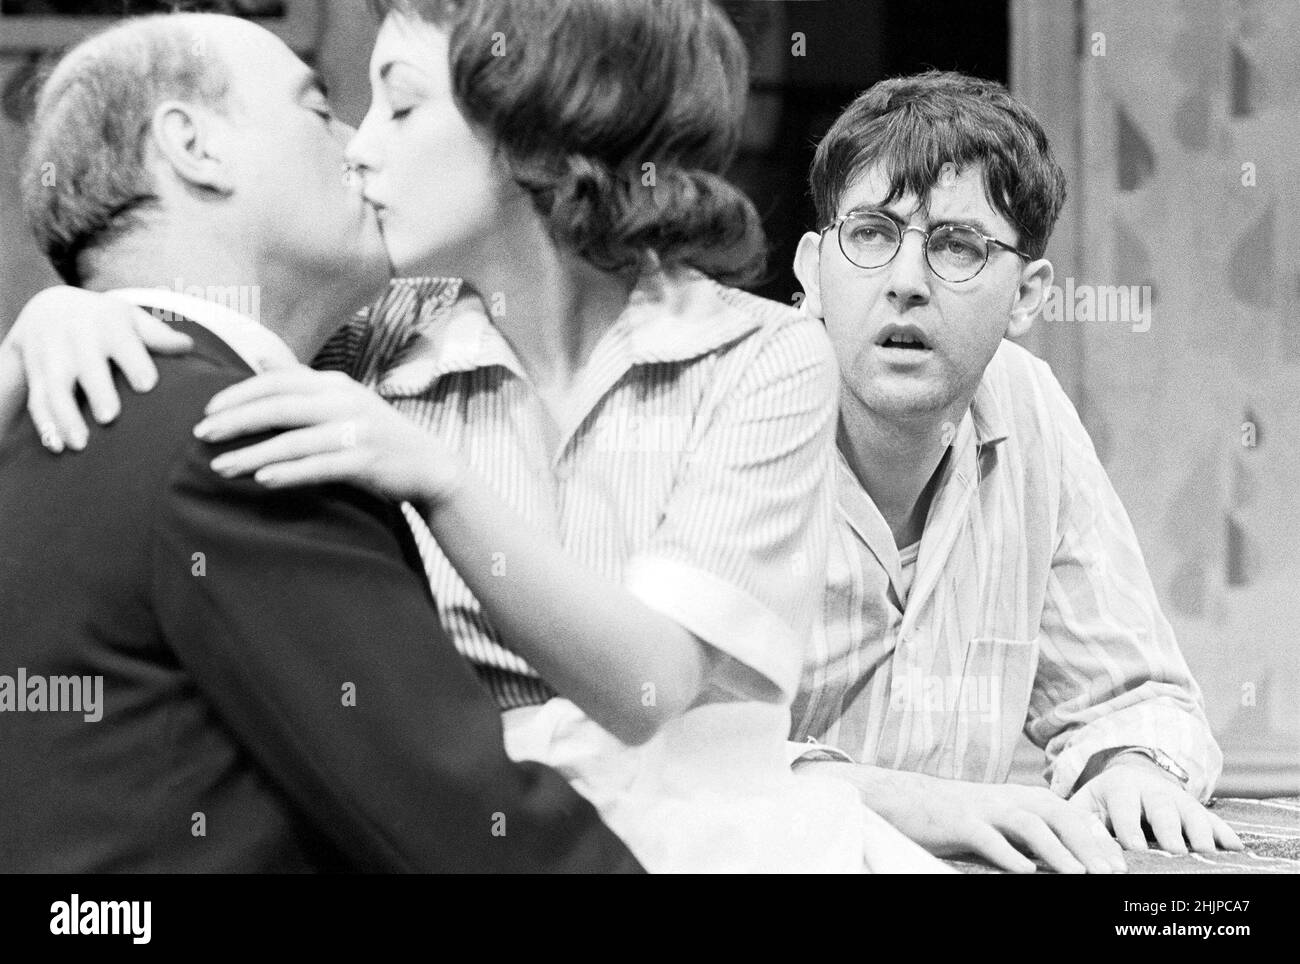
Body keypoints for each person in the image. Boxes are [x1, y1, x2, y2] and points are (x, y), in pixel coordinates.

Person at [0, 1, 938, 872]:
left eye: (399, 108)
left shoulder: (760, 355)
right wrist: (66, 310)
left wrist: (445, 484)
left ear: (531, 126)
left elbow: (650, 690)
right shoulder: (367, 339)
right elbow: (207, 329)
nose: (358, 151)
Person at [0, 11, 641, 874]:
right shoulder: (243, 443)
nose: (360, 146)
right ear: (195, 147)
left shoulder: (36, 421)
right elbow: (473, 834)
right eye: (319, 109)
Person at [786, 71, 1242, 873]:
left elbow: (1135, 697)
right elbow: (669, 756)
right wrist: (926, 807)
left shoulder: (1025, 408)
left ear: (1027, 295)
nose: (905, 281)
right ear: (813, 269)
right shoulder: (727, 410)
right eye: (870, 234)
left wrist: (1128, 765)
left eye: (957, 247)